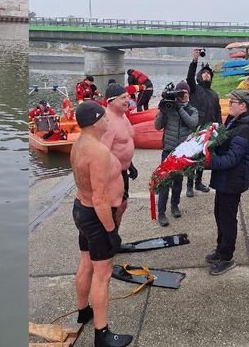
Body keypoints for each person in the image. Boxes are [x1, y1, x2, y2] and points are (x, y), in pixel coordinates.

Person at [70, 101, 133, 347]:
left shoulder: (79, 144)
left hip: (81, 210)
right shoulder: (97, 151)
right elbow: (100, 198)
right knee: (102, 274)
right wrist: (110, 232)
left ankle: (83, 311)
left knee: (86, 263)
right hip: (97, 217)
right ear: (96, 122)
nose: (108, 120)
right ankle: (102, 334)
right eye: (104, 117)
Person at [204, 89, 249, 275]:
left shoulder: (245, 129)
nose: (229, 106)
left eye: (232, 103)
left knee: (227, 219)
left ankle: (227, 257)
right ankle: (220, 250)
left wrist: (206, 162)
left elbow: (231, 159)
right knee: (219, 214)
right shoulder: (236, 121)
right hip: (225, 180)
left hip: (232, 181)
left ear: (243, 106)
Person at [154, 81, 198, 227]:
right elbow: (157, 126)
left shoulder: (192, 110)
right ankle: (161, 213)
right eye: (180, 93)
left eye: (185, 93)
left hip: (182, 152)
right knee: (164, 183)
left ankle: (175, 206)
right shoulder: (169, 108)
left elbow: (193, 124)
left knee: (178, 182)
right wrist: (162, 110)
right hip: (168, 151)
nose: (183, 96)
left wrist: (179, 109)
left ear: (189, 94)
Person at [186, 49, 222, 197]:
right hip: (195, 129)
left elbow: (218, 112)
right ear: (199, 76)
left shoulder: (214, 94)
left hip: (208, 131)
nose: (206, 75)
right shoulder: (194, 89)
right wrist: (194, 61)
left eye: (209, 73)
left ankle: (198, 182)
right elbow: (189, 79)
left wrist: (220, 128)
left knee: (202, 157)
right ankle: (189, 185)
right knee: (192, 157)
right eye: (204, 73)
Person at [101, 84, 137, 229]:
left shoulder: (122, 116)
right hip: (113, 174)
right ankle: (110, 237)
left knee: (122, 205)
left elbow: (125, 143)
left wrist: (130, 164)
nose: (128, 100)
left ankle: (114, 235)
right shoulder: (107, 122)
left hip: (123, 170)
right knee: (114, 207)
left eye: (128, 96)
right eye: (123, 97)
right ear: (111, 101)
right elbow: (102, 153)